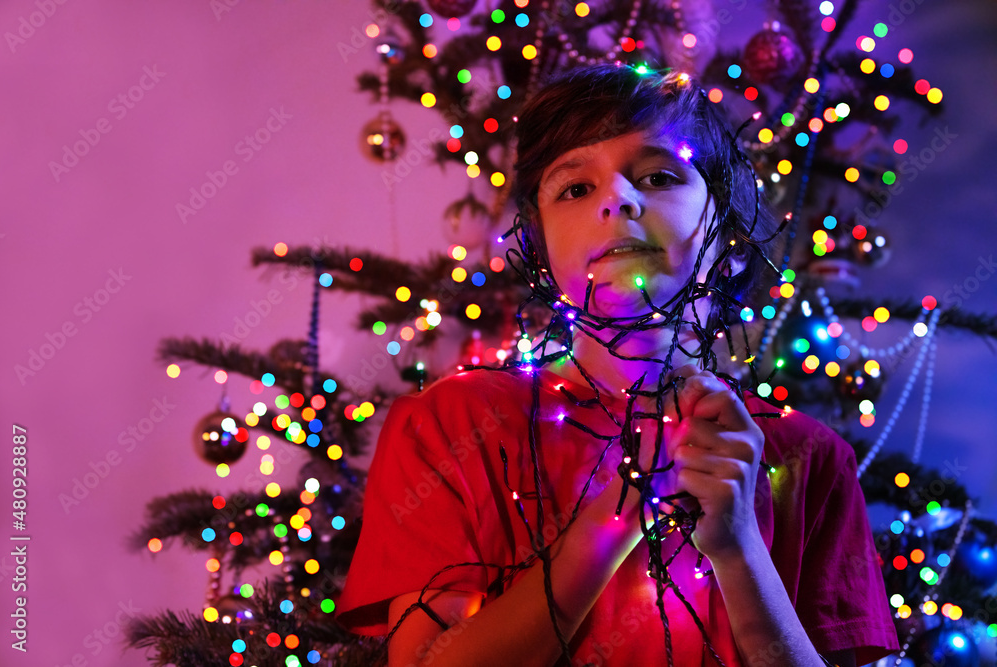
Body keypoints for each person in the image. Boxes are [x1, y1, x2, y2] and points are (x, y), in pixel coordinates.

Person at [335, 64, 899, 667]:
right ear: (543, 256)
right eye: (575, 188)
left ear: (729, 244)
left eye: (659, 176)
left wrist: (739, 549)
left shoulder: (804, 458)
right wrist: (625, 508)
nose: (618, 199)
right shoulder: (451, 425)